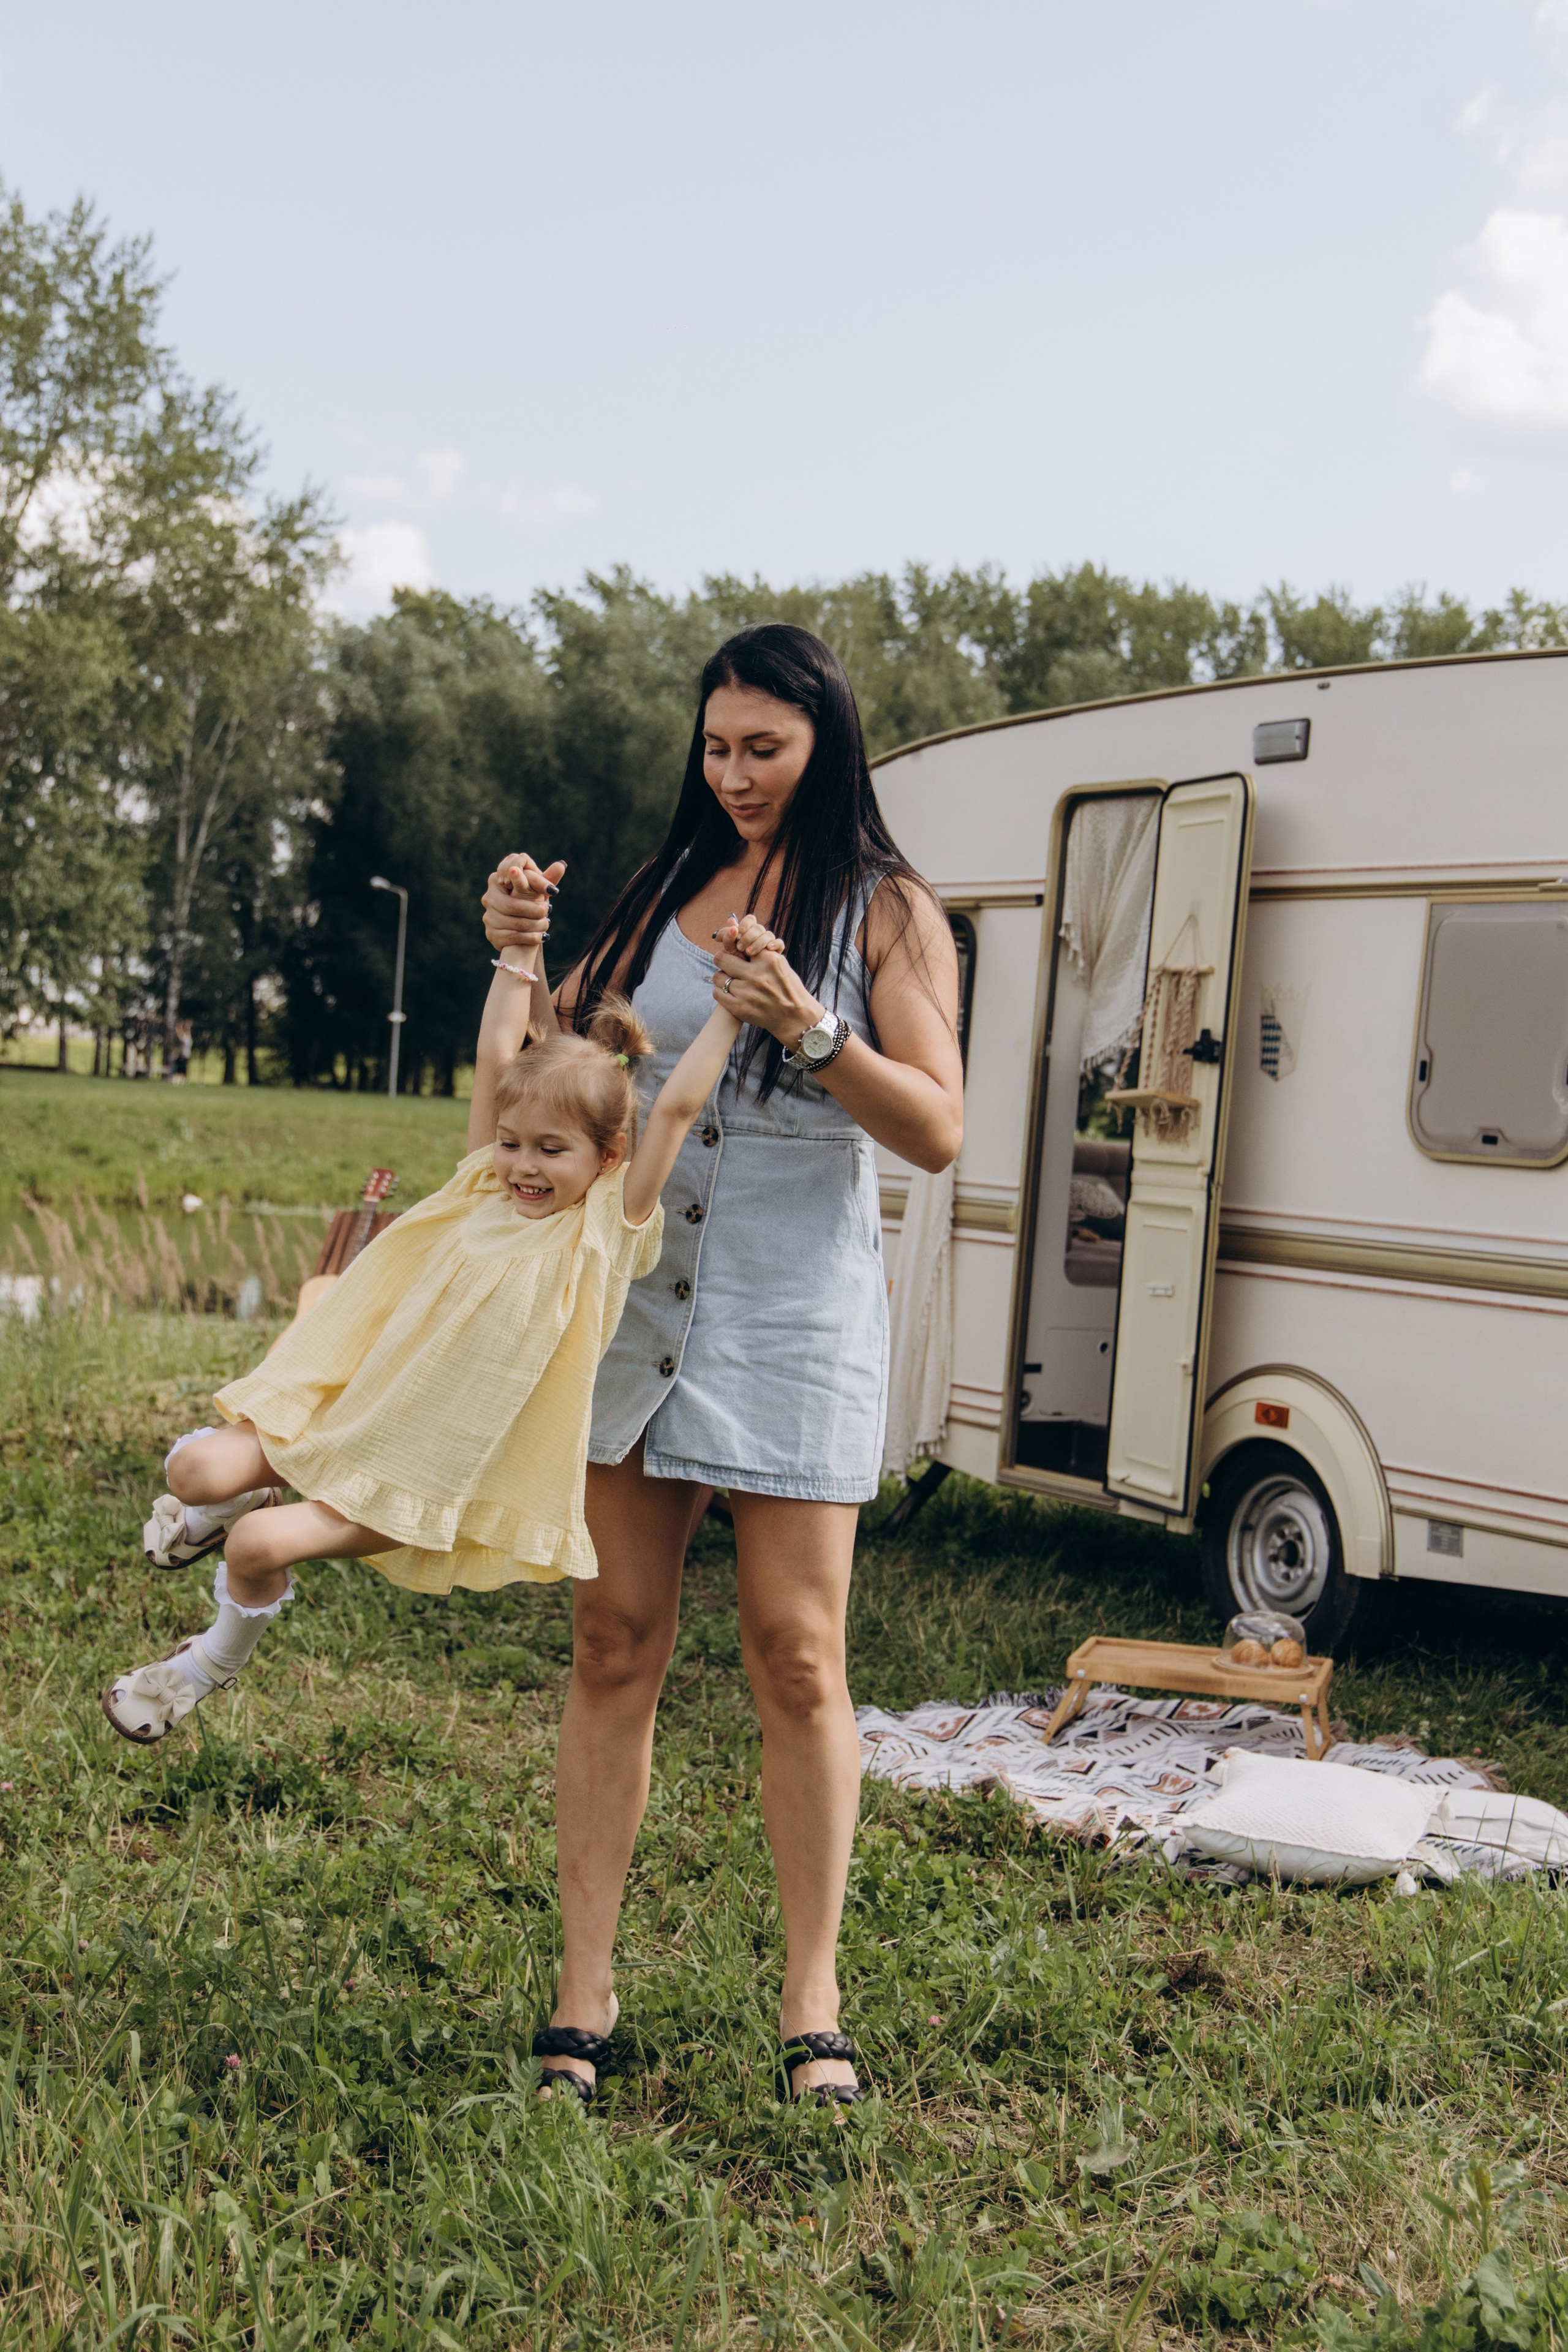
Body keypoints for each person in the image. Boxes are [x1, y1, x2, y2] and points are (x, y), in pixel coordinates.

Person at [480, 623, 963, 2106]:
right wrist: (517, 963)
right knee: (613, 1641)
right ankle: (582, 1998)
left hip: (792, 1317)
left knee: (798, 1660)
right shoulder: (651, 902)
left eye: (766, 746)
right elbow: (535, 1095)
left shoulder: (885, 911)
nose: (737, 773)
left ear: (825, 742)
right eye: (716, 747)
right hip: (636, 1309)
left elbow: (938, 1130)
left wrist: (809, 1028)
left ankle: (810, 2001)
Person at [102, 881, 759, 1773]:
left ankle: (210, 1661)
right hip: (351, 1413)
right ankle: (234, 1503)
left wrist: (732, 1005)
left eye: (550, 1151)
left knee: (260, 1544)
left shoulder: (607, 1229)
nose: (523, 1166)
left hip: (426, 1472)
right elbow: (500, 1049)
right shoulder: (479, 1188)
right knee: (194, 1467)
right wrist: (519, 948)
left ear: (608, 1158)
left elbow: (676, 1108)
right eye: (513, 1142)